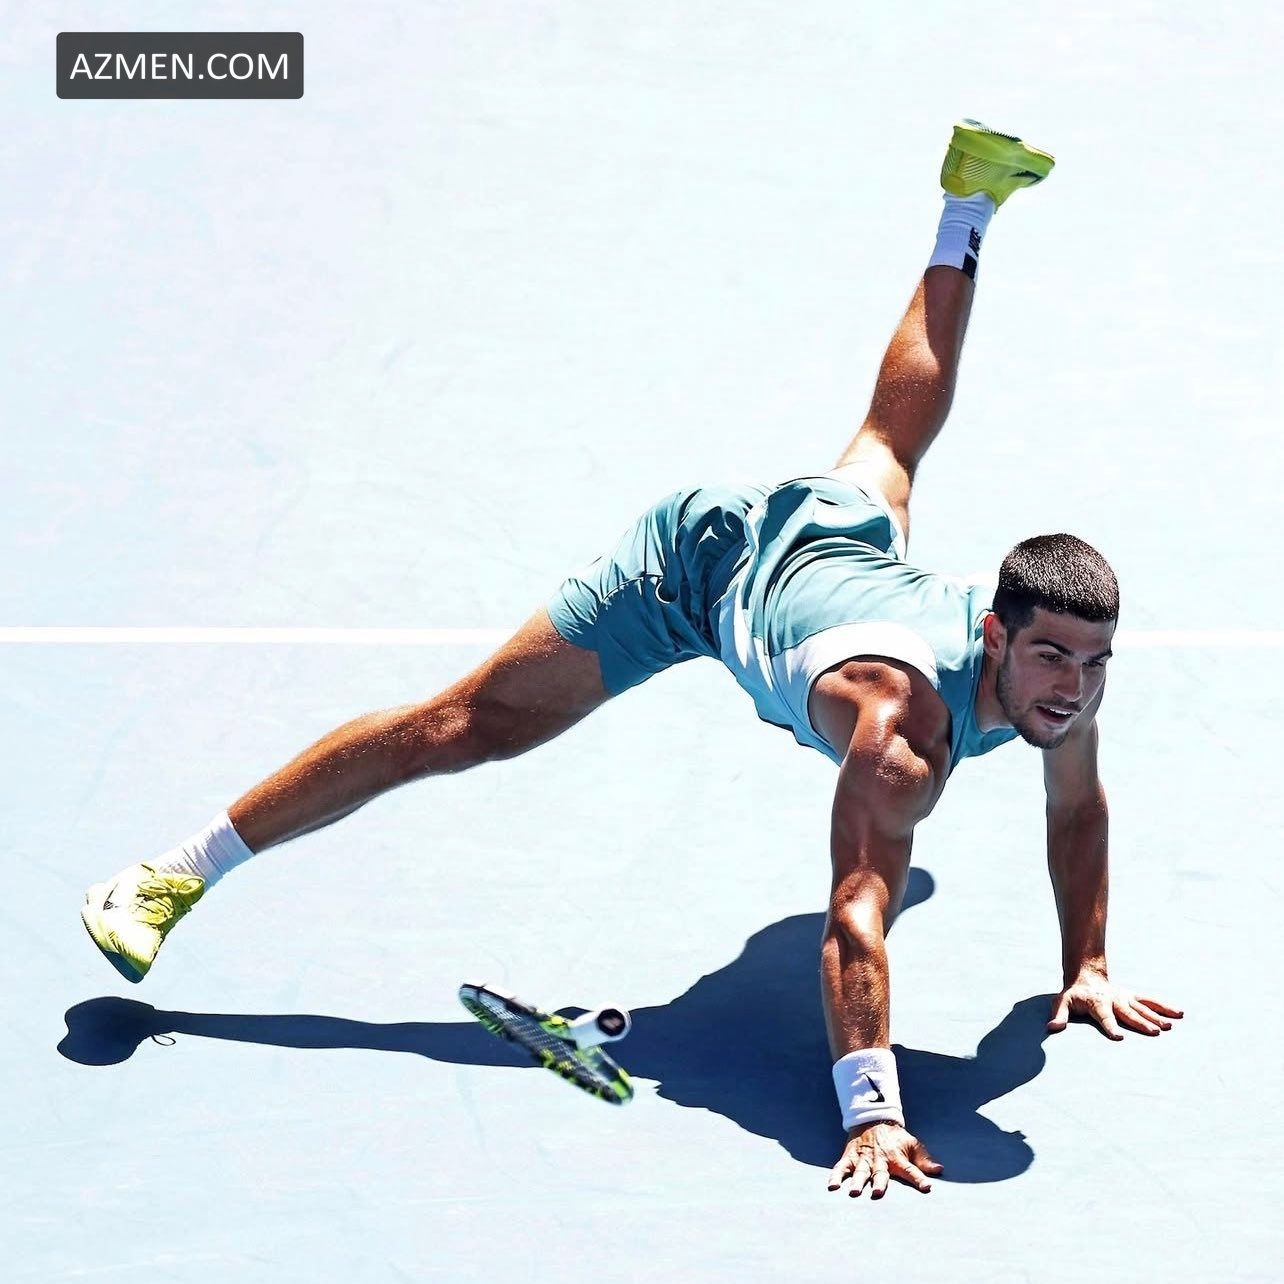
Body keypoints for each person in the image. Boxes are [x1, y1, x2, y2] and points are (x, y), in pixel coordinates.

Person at [81, 121, 1182, 1198]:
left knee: (893, 438)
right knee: (466, 728)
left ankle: (968, 198)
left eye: (1093, 664)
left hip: (837, 544)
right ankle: (172, 872)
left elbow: (1076, 808)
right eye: (1052, 658)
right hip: (696, 575)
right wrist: (873, 1110)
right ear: (994, 633)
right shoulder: (899, 745)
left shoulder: (1061, 682)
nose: (1073, 687)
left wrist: (1085, 964)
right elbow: (856, 916)